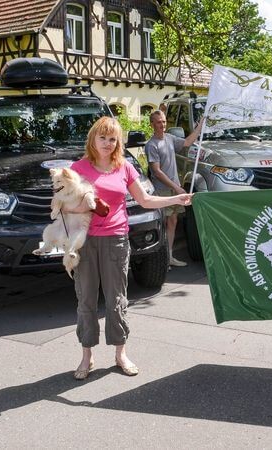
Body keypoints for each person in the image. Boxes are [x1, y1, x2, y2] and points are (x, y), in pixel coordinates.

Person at [65, 116, 193, 380]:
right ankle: (86, 356)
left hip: (116, 239)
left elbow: (145, 200)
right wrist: (85, 206)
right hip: (85, 241)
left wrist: (177, 197)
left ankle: (120, 353)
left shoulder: (124, 167)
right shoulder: (77, 168)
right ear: (93, 138)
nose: (107, 143)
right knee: (86, 299)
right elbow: (62, 206)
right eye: (103, 137)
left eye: (113, 139)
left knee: (117, 300)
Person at [145, 110, 203, 268]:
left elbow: (186, 142)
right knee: (162, 223)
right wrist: (177, 188)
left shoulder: (170, 138)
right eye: (158, 122)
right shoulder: (151, 145)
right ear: (152, 124)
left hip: (174, 188)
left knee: (173, 220)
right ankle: (161, 259)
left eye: (164, 121)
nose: (162, 125)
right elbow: (157, 171)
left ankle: (169, 256)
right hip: (163, 190)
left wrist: (199, 127)